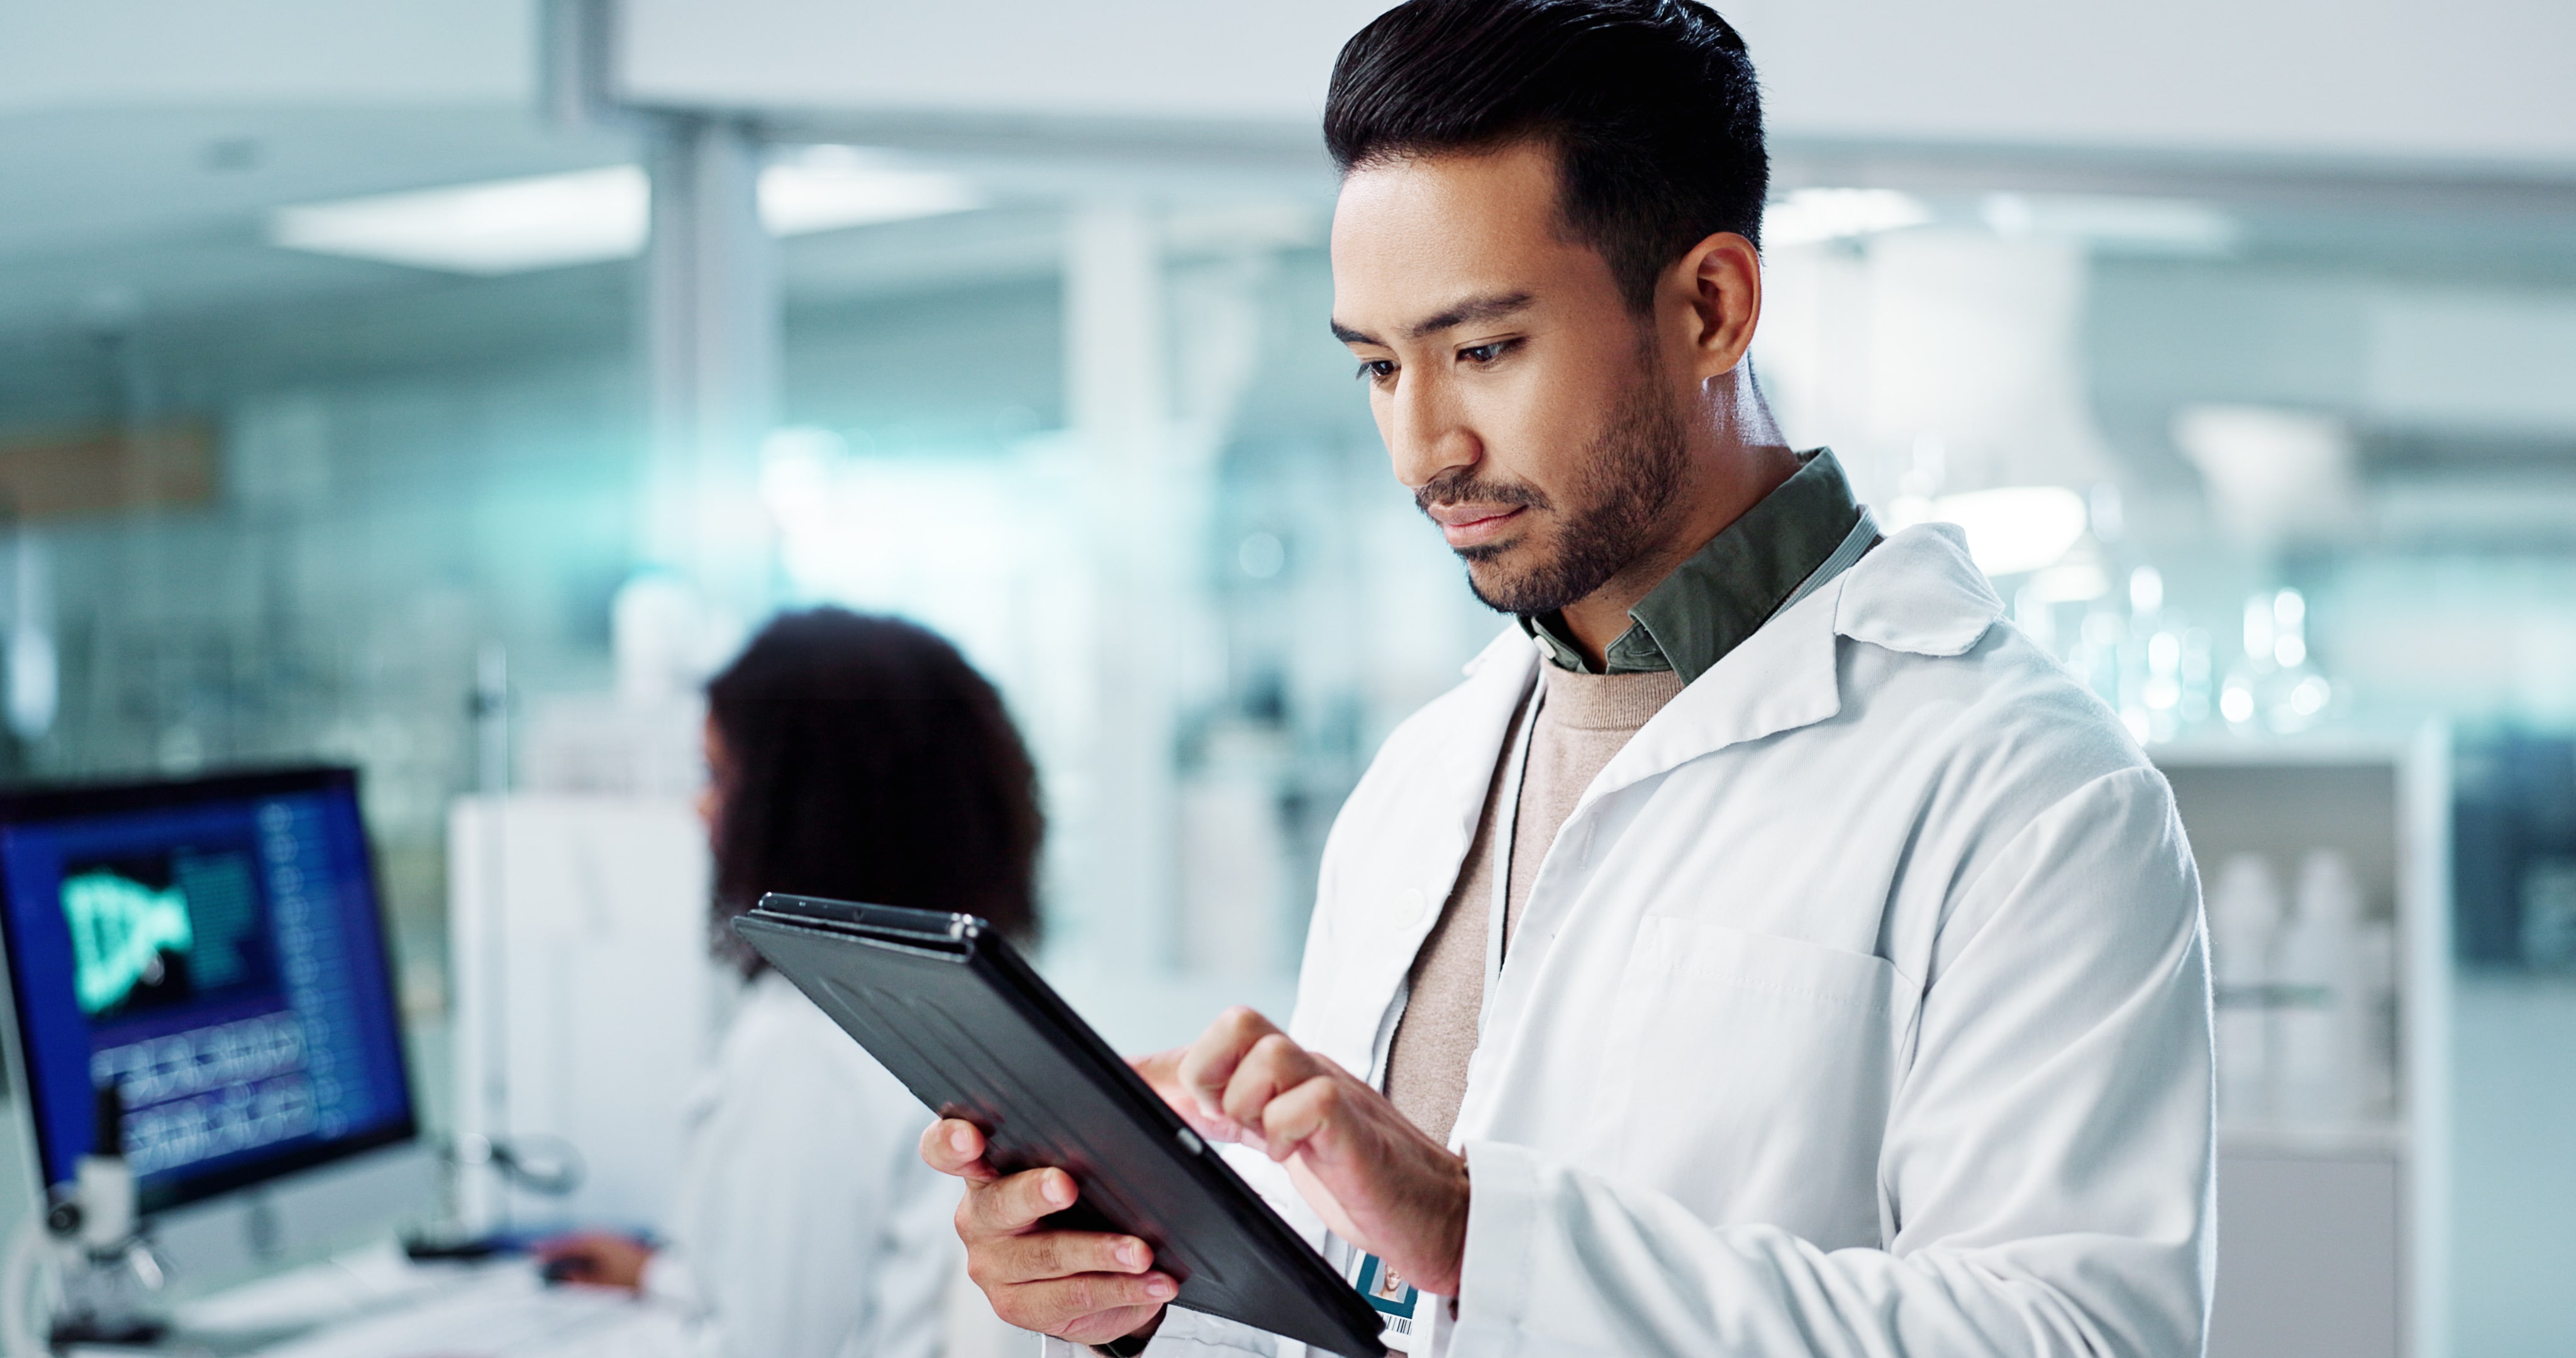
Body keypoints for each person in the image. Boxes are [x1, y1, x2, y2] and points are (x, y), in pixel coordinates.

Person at [924, 3, 2214, 1356]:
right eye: (1376, 365)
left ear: (1710, 306)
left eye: (1482, 351)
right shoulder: (1420, 779)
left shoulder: (2028, 791)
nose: (1423, 445)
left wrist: (1489, 1238)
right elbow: (1363, 1313)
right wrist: (1143, 1292)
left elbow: (2081, 1336)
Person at [545, 608, 1045, 1358]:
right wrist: (663, 1277)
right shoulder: (955, 1000)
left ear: (802, 807)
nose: (700, 807)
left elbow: (772, 1340)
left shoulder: (807, 1045)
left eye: (717, 775)